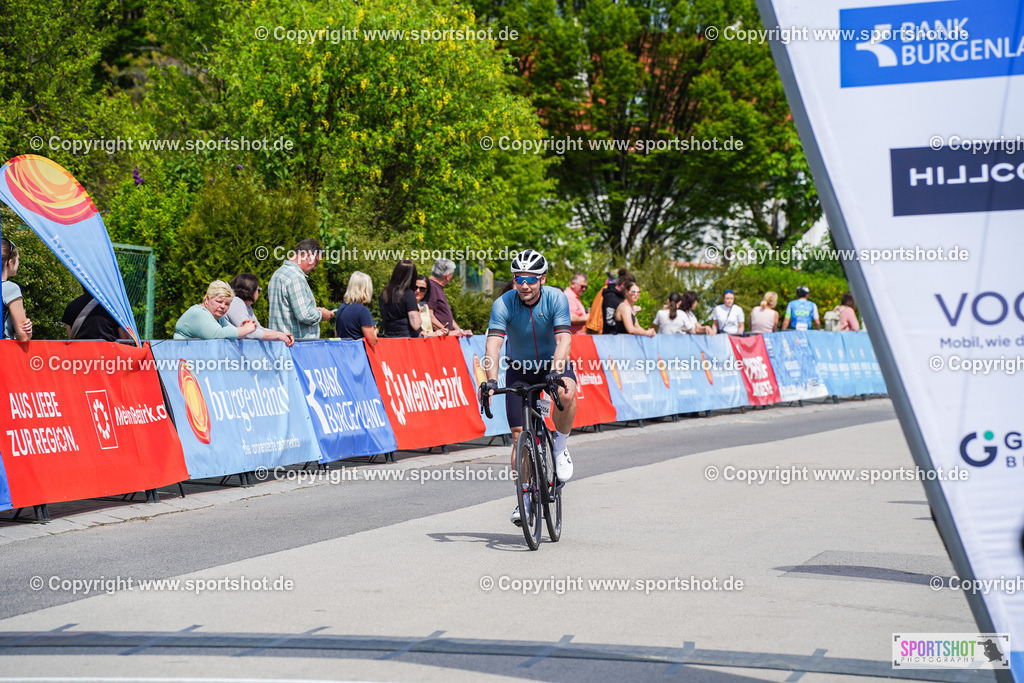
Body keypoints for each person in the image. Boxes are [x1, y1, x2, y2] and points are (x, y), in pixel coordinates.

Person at [480, 249, 577, 527]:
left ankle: (560, 447)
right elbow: (493, 345)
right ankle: (523, 499)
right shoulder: (503, 304)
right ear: (513, 280)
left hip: (551, 364)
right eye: (519, 278)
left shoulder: (556, 298)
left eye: (531, 279)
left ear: (542, 279)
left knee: (566, 392)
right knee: (519, 435)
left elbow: (564, 341)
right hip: (519, 370)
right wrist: (490, 380)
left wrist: (556, 372)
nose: (525, 285)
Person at [267, 238, 334, 340]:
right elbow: (304, 314)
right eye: (316, 262)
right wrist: (321, 314)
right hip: (295, 346)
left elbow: (290, 309)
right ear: (307, 255)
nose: (315, 267)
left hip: (280, 344)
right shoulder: (295, 277)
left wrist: (314, 310)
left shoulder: (278, 273)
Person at [225, 273, 294, 346]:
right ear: (250, 289)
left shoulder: (246, 306)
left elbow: (258, 328)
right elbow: (248, 333)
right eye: (258, 289)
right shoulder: (236, 302)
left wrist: (282, 335)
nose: (259, 292)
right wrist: (277, 336)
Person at [174, 281, 257, 340]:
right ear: (207, 299)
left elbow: (233, 334)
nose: (223, 306)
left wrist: (242, 328)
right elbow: (217, 334)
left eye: (227, 304)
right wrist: (246, 329)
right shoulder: (198, 313)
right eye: (219, 301)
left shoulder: (218, 318)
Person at [62, 286, 130, 341]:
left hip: (81, 355)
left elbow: (70, 338)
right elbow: (125, 339)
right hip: (108, 355)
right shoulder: (114, 306)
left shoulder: (71, 306)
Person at [425, 258, 471, 337]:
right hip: (438, 338)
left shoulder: (437, 286)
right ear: (447, 276)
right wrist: (446, 331)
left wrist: (460, 331)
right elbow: (429, 316)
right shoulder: (431, 286)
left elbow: (446, 315)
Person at [379, 259, 422, 338]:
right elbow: (415, 325)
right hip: (406, 339)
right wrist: (418, 310)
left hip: (388, 337)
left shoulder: (384, 293)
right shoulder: (408, 294)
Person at [334, 271, 378, 346]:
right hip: (357, 353)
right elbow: (372, 341)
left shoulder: (341, 308)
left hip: (343, 351)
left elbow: (336, 334)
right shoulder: (362, 311)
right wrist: (375, 332)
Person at [2, 238, 32, 341]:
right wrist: (27, 328)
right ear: (10, 262)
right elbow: (23, 336)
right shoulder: (10, 288)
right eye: (18, 259)